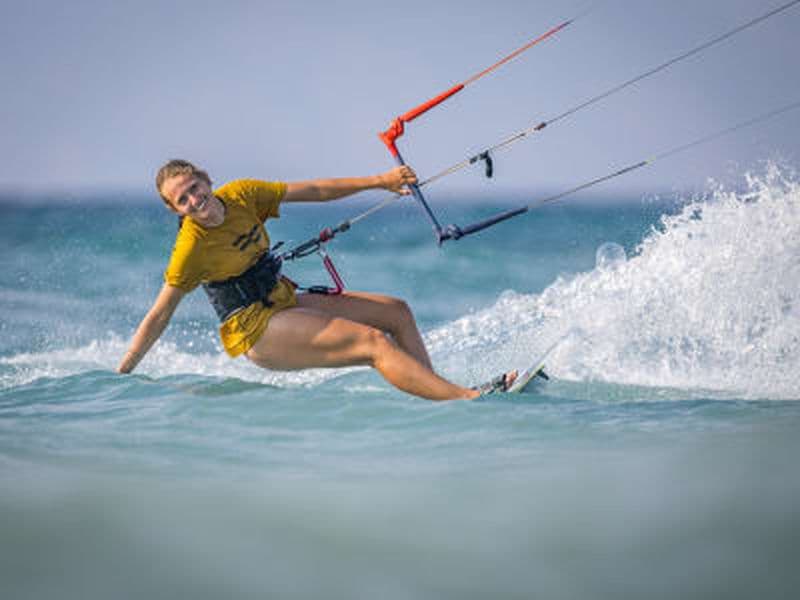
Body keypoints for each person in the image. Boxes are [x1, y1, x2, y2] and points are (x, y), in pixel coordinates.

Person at [117, 159, 515, 400]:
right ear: (175, 209)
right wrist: (122, 375)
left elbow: (315, 189)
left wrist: (380, 180)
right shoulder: (190, 248)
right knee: (374, 344)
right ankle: (467, 399)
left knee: (397, 313)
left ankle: (442, 392)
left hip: (281, 301)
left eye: (194, 188)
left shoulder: (242, 195)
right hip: (255, 331)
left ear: (205, 179)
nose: (194, 200)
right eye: (182, 200)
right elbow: (160, 314)